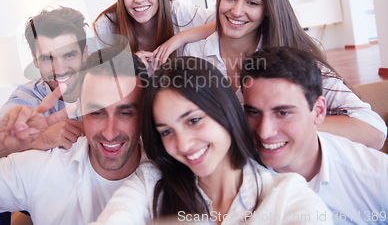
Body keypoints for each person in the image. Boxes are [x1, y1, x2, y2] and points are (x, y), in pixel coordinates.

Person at [153, 0, 386, 149]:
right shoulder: (190, 55)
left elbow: (373, 130)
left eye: (252, 3)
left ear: (267, 9)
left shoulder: (292, 59)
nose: (236, 10)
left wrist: (286, 126)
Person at [0, 47, 148, 225]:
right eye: (96, 113)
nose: (110, 131)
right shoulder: (45, 168)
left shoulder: (170, 172)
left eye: (126, 113)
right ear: (81, 107)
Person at [93, 57, 332, 225]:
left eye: (194, 120)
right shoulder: (151, 184)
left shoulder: (287, 197)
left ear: (224, 110)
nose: (184, 144)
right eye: (166, 132)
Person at [0, 6, 89, 224]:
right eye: (48, 58)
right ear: (34, 60)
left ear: (85, 52)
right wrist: (39, 138)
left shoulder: (108, 85)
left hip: (97, 183)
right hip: (45, 188)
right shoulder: (30, 95)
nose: (60, 69)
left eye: (69, 54)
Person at [240, 46, 388, 224]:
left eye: (283, 113)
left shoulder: (377, 177)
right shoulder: (233, 184)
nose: (264, 132)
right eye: (253, 112)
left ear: (319, 111)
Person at [91, 0, 215, 67]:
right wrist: (126, 64)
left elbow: (223, 21)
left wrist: (179, 39)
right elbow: (86, 68)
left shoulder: (178, 12)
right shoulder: (107, 24)